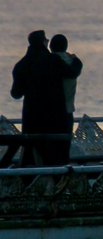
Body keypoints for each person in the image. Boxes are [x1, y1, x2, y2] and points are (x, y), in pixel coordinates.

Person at [10, 30, 68, 166]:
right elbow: (71, 72)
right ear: (42, 42)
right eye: (46, 40)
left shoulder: (21, 65)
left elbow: (16, 93)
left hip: (31, 117)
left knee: (30, 154)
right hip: (52, 117)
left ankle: (28, 178)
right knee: (53, 157)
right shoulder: (53, 60)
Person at [49, 34, 82, 166]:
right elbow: (76, 67)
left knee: (51, 149)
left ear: (51, 47)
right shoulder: (74, 62)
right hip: (68, 110)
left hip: (52, 111)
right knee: (64, 148)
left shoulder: (49, 62)